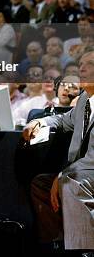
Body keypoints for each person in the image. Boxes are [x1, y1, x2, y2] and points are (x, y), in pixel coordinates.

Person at [23, 50, 94, 252]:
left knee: (70, 183)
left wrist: (64, 175)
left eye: (90, 64)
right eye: (81, 64)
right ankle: (57, 243)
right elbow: (63, 120)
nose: (82, 68)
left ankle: (84, 250)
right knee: (41, 183)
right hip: (83, 173)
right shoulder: (83, 101)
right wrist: (38, 121)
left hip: (88, 171)